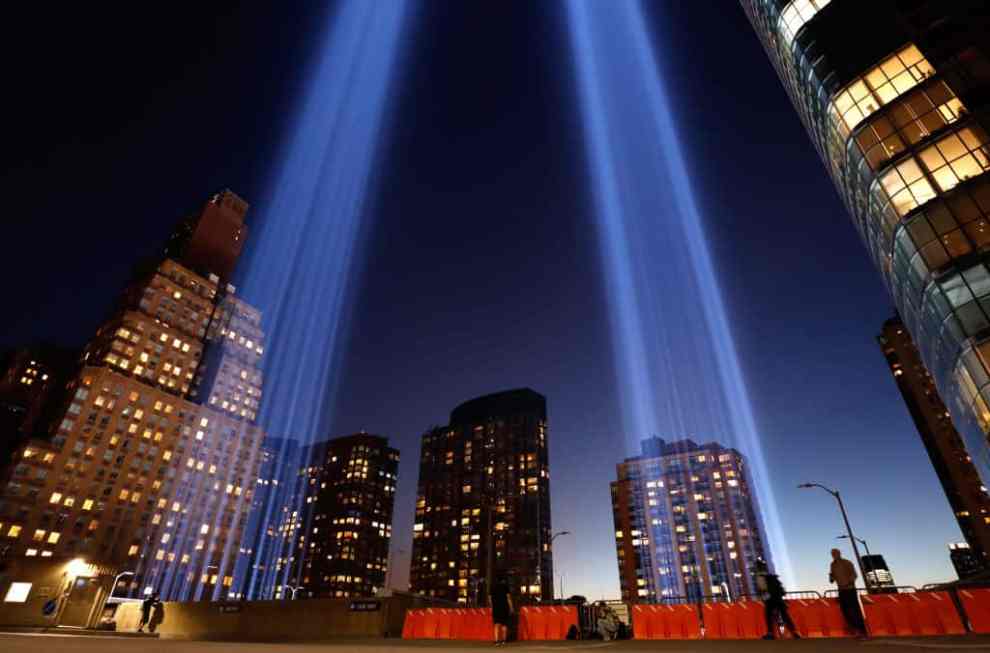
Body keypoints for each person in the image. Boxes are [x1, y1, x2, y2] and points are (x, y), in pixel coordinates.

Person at [829, 549, 868, 637]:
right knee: (845, 611)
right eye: (832, 554)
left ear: (839, 553)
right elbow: (832, 578)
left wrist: (849, 583)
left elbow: (854, 575)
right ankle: (854, 630)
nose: (834, 555)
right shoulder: (832, 565)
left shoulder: (847, 562)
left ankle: (862, 630)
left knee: (855, 610)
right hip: (841, 590)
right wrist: (831, 578)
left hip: (850, 589)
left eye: (835, 553)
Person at [761, 569, 799, 640]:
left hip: (771, 602)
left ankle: (770, 633)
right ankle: (794, 632)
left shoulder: (766, 582)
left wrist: (765, 599)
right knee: (785, 616)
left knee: (768, 615)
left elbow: (765, 594)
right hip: (779, 601)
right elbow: (783, 592)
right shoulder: (777, 582)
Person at [489, 573, 513, 646]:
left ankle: (496, 641)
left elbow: (490, 599)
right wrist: (511, 607)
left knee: (496, 624)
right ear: (503, 580)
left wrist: (492, 607)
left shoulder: (492, 587)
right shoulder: (505, 587)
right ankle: (503, 640)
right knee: (504, 624)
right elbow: (508, 598)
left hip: (496, 607)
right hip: (504, 607)